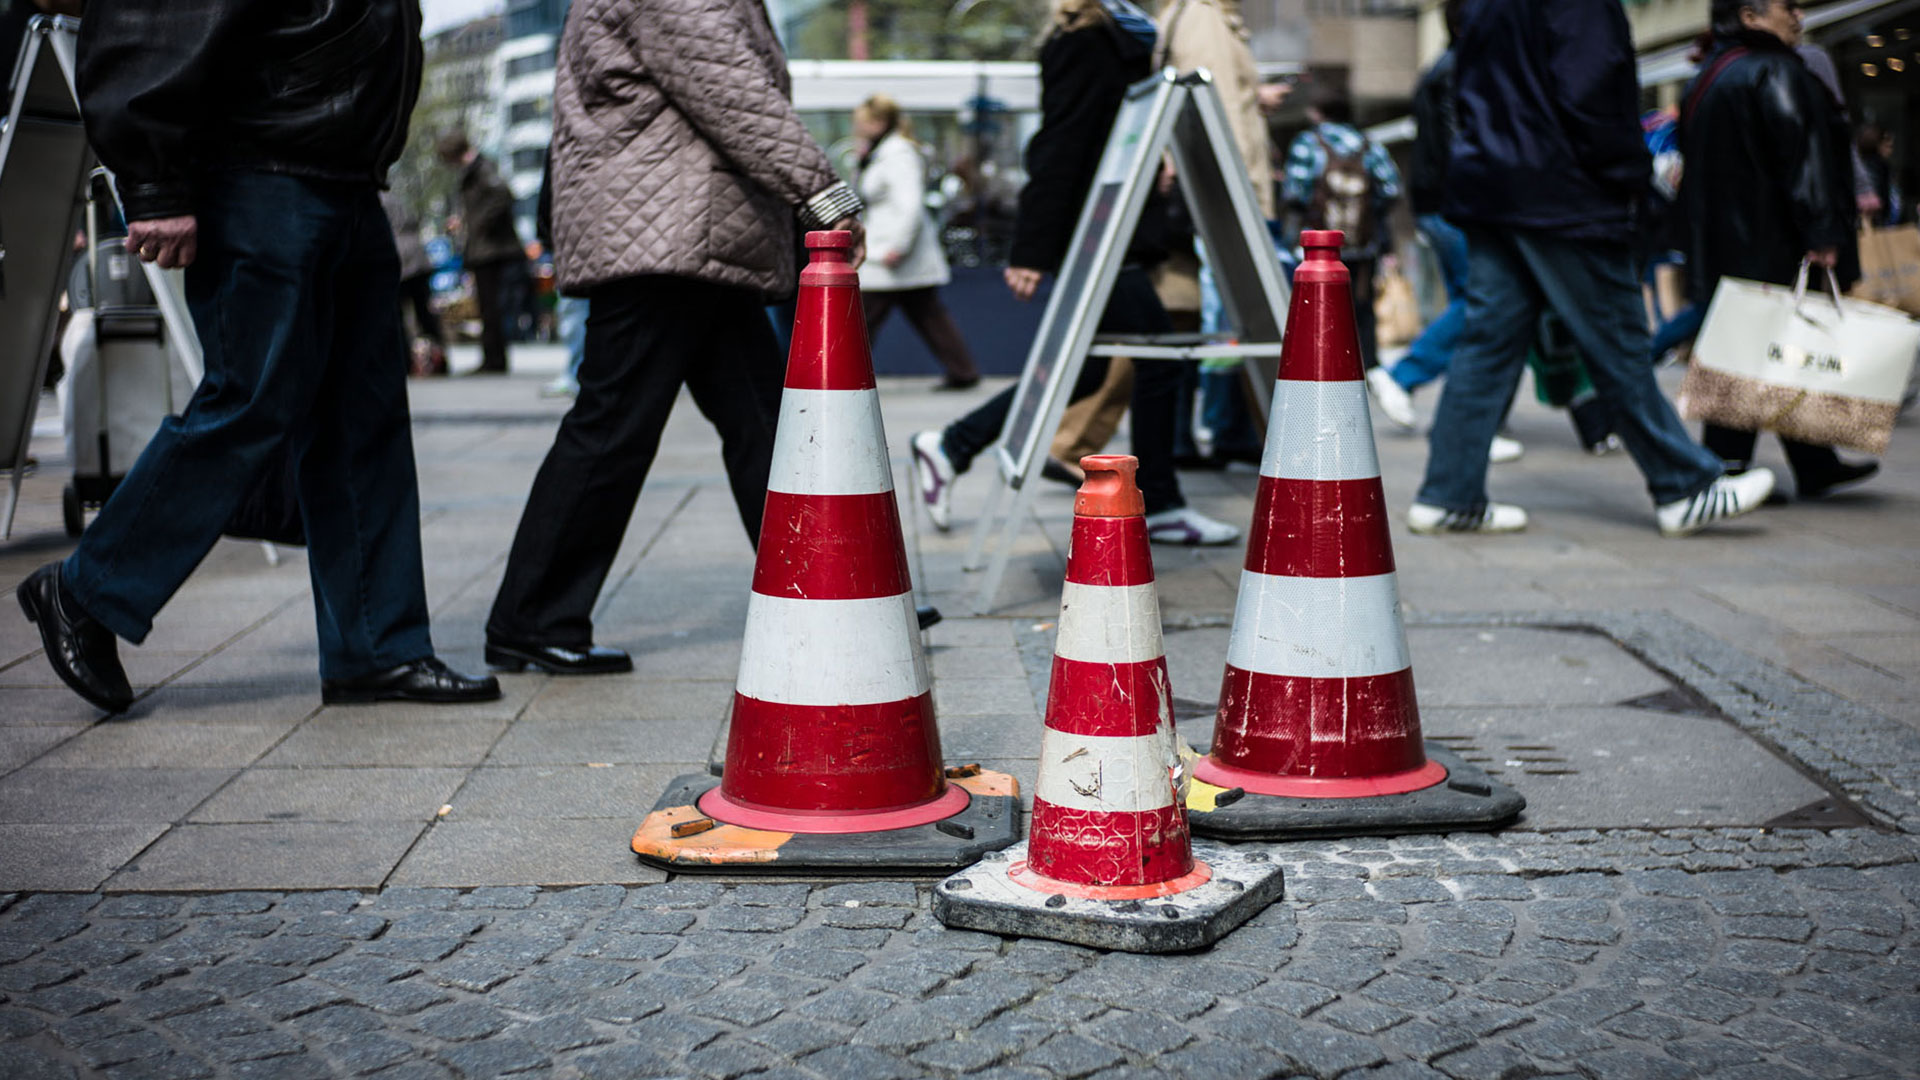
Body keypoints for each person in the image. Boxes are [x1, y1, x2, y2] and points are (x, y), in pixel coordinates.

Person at [18, 0, 499, 713]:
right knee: (250, 400)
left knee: (362, 422)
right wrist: (154, 185)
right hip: (262, 171)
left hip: (346, 175)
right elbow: (149, 19)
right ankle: (85, 592)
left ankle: (376, 648)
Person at [482, 0, 866, 675]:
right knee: (613, 427)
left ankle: (831, 589)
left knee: (763, 423)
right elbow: (729, 85)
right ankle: (531, 618)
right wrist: (824, 195)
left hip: (693, 231)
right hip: (665, 235)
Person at [1408, 0, 1773, 538]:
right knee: (1617, 337)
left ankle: (1448, 493)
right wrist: (1630, 176)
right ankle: (1684, 486)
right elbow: (1593, 92)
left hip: (1492, 186)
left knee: (1487, 343)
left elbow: (1471, 84)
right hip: (1563, 192)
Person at [908, 0, 1241, 547]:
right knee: (1158, 361)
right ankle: (1159, 501)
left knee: (1086, 373)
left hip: (1112, 230)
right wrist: (1030, 250)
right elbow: (1058, 149)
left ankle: (952, 445)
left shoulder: (1119, 33)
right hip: (1099, 235)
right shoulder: (1085, 42)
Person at [1680, 0, 1877, 499]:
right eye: (1786, 7)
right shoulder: (1774, 70)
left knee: (1763, 352)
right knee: (1761, 354)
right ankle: (1727, 468)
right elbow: (1802, 158)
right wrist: (1821, 235)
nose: (1798, 16)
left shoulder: (1706, 77)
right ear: (1750, 16)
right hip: (1773, 241)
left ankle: (1808, 462)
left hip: (1726, 242)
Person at [1281, 84, 1401, 405]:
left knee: (1315, 310)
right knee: (1361, 310)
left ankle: (1324, 373)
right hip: (1361, 246)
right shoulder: (1368, 144)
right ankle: (1363, 374)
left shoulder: (1309, 143)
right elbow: (1391, 190)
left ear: (1317, 113)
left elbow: (1294, 193)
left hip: (1316, 249)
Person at [852, 94, 980, 391]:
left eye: (863, 122)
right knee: (927, 314)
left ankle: (842, 375)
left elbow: (910, 204)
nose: (857, 128)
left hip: (892, 252)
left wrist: (898, 246)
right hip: (891, 250)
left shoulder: (897, 153)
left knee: (863, 317)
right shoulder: (881, 151)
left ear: (880, 123)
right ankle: (963, 371)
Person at [436, 132, 523, 375]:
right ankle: (493, 357)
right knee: (488, 306)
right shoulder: (476, 171)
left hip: (491, 249)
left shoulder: (481, 169)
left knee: (490, 306)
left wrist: (479, 225)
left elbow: (502, 195)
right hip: (485, 248)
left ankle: (494, 360)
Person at [381, 189, 448, 377]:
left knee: (398, 316)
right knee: (425, 313)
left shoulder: (379, 199)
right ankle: (440, 360)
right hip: (419, 258)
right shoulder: (399, 197)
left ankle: (405, 362)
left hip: (400, 259)